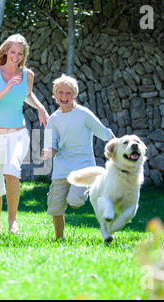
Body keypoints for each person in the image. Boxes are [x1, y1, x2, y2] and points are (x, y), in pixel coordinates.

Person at [0, 34, 49, 234]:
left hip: (17, 133)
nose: (16, 56)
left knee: (12, 170)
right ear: (5, 51)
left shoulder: (28, 75)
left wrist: (40, 107)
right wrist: (7, 88)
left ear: (23, 55)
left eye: (20, 53)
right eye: (12, 52)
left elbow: (26, 94)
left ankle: (12, 222)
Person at [41, 74, 115, 239]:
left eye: (68, 93)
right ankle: (58, 238)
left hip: (83, 167)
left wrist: (116, 144)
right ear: (55, 94)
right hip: (61, 168)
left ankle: (87, 189)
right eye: (60, 92)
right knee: (55, 207)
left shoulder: (84, 114)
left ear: (74, 95)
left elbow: (103, 132)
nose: (64, 96)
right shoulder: (53, 119)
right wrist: (48, 152)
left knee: (75, 202)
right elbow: (50, 144)